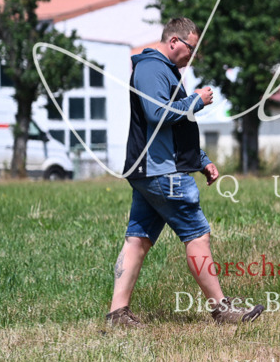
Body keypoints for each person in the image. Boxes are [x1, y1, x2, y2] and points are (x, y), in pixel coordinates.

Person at [105, 17, 264, 327]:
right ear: (174, 41)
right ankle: (222, 310)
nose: (192, 56)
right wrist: (197, 101)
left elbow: (175, 129)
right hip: (163, 172)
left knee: (137, 239)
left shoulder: (164, 71)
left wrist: (201, 159)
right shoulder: (152, 68)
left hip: (155, 168)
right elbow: (157, 113)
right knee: (197, 235)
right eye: (191, 48)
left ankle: (117, 314)